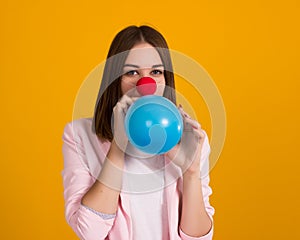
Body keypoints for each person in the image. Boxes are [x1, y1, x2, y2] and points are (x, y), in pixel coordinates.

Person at [62, 25, 215, 240]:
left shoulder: (193, 140)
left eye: (155, 72)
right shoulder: (79, 135)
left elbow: (199, 238)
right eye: (132, 72)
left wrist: (190, 172)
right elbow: (90, 233)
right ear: (114, 80)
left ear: (166, 79)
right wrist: (118, 146)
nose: (145, 83)